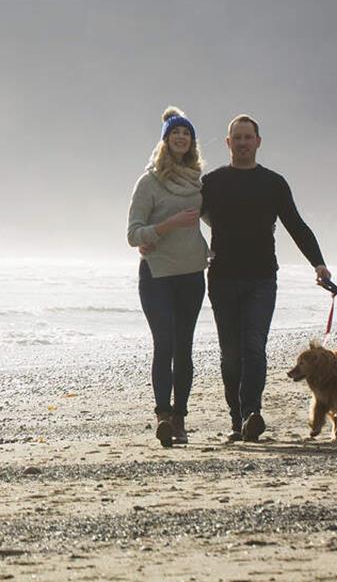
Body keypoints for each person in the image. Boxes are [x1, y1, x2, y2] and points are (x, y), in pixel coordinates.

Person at [201, 114, 331, 442]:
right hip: (222, 279)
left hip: (261, 279)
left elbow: (296, 225)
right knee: (230, 352)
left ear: (258, 142)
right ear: (228, 143)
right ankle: (236, 419)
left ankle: (251, 414)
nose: (243, 143)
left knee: (254, 347)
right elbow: (190, 218)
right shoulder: (213, 182)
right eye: (237, 138)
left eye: (248, 137)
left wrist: (318, 264)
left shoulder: (273, 183)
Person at [127, 107, 209, 448]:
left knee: (185, 347)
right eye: (175, 133)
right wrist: (166, 226)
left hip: (191, 273)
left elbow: (221, 219)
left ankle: (180, 419)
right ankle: (162, 415)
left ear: (191, 142)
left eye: (186, 134)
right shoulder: (149, 182)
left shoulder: (199, 182)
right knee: (165, 345)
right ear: (165, 141)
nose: (181, 138)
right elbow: (133, 234)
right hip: (157, 274)